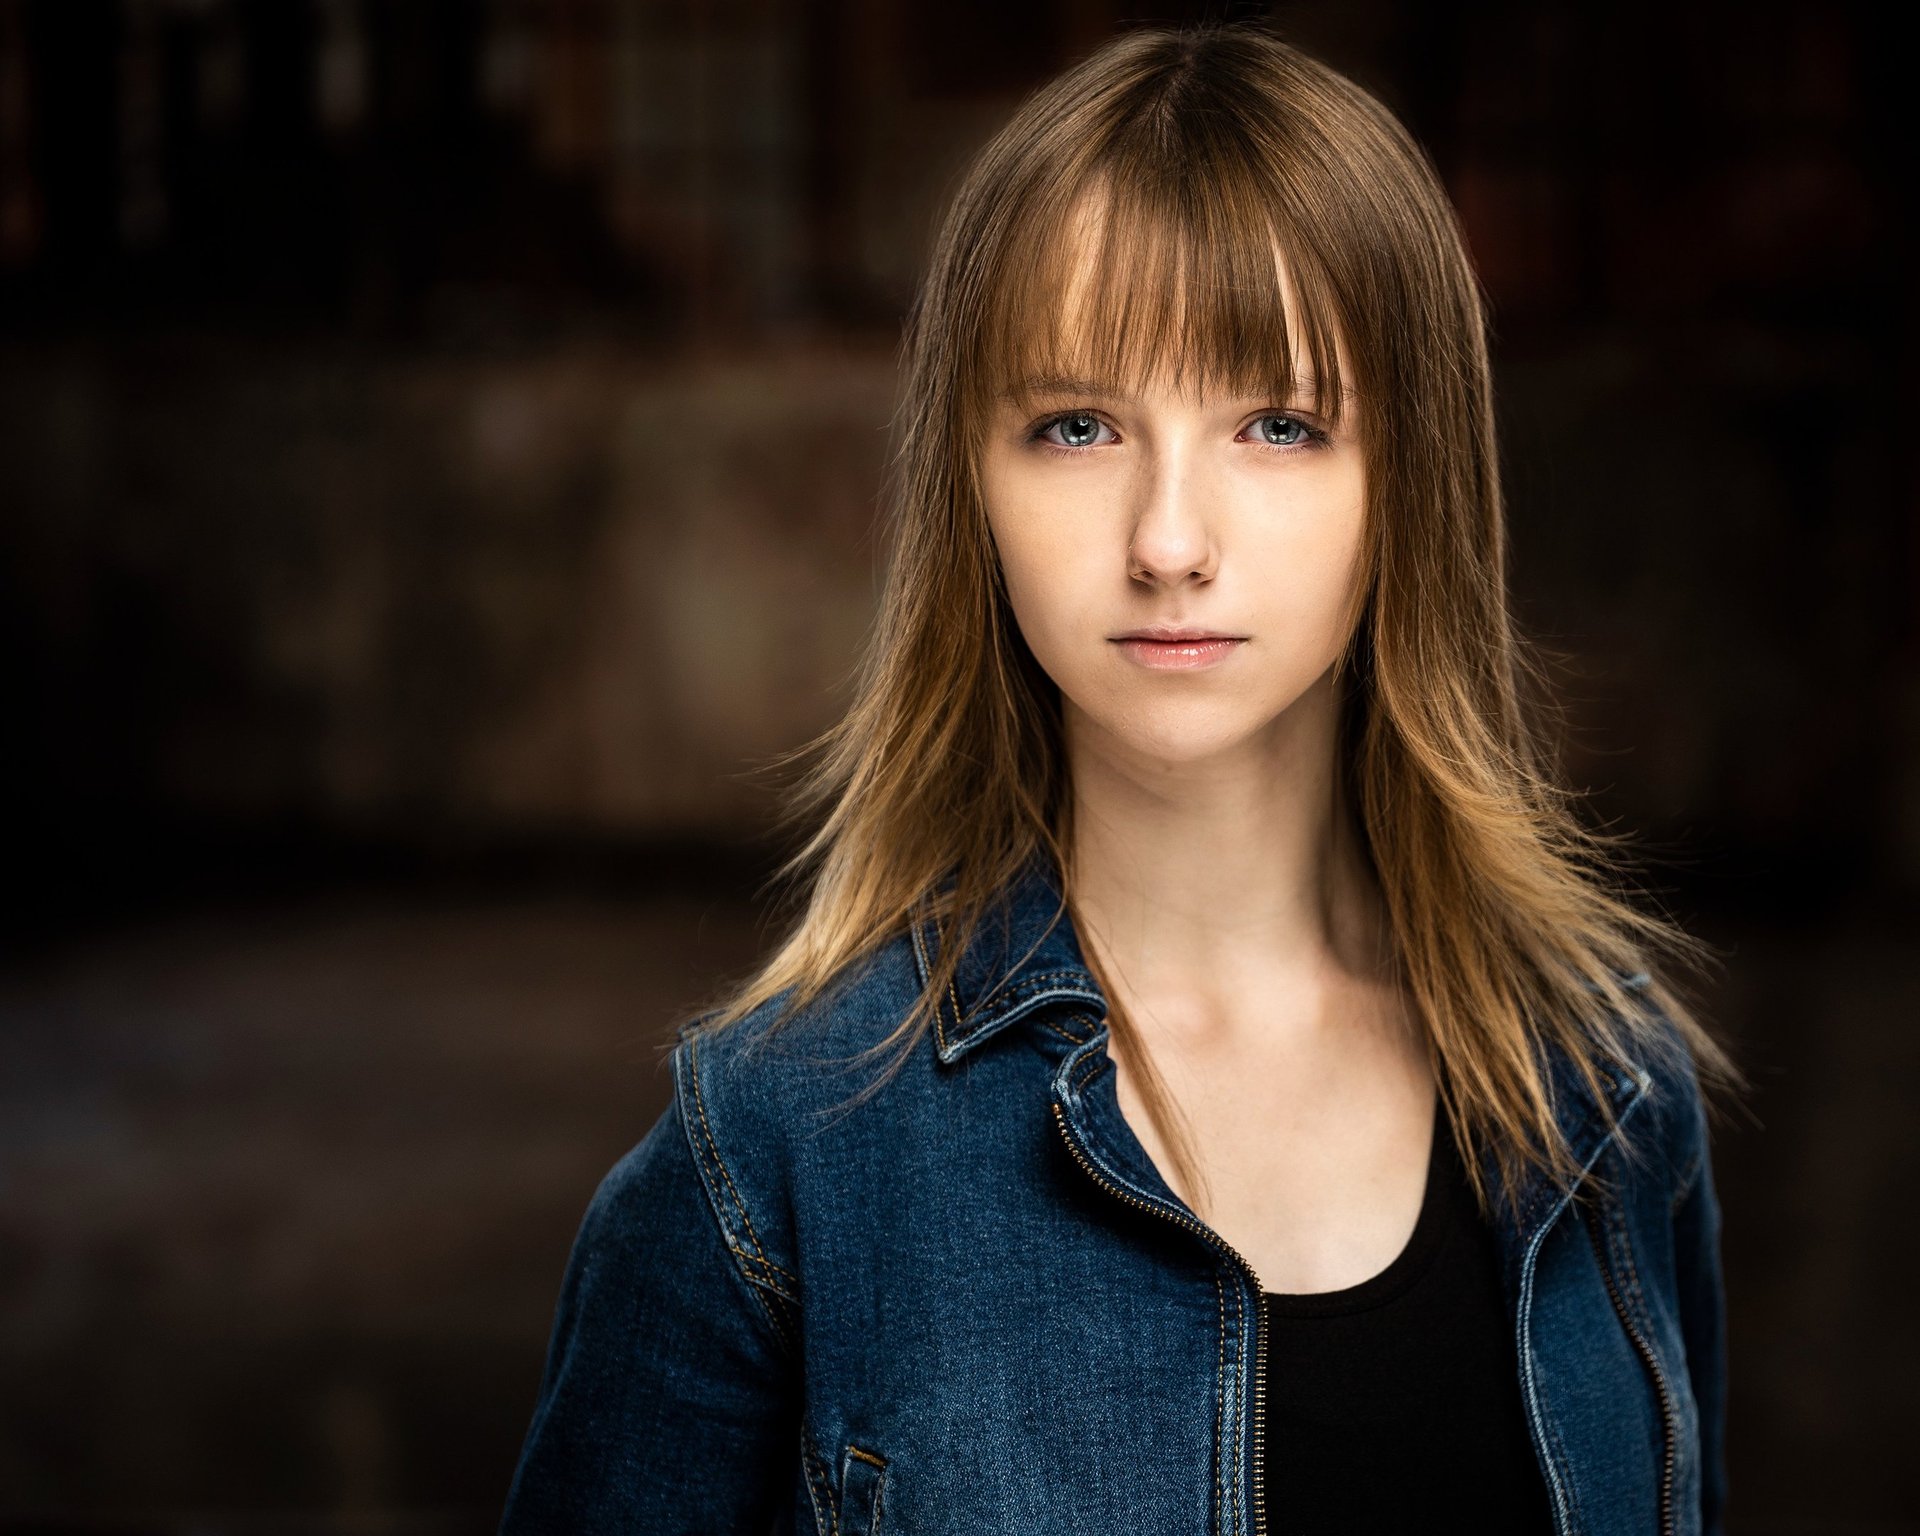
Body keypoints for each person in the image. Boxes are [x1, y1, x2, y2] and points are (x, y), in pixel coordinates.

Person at [498, 20, 1734, 1536]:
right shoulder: (779, 1142)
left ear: (1409, 482)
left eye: (1277, 426)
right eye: (1075, 427)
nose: (1167, 539)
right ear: (974, 483)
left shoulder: (1611, 1093)